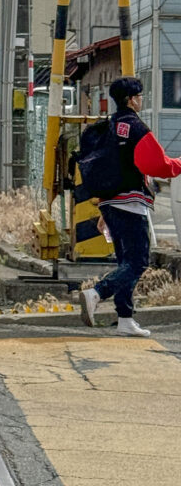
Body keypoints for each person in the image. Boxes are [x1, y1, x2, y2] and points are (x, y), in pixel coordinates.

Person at [80, 76, 181, 336]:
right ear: (132, 99)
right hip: (131, 203)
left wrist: (104, 211)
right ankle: (97, 292)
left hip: (110, 203)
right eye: (140, 95)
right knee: (138, 262)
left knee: (126, 262)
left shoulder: (110, 126)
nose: (141, 100)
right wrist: (179, 163)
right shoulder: (136, 128)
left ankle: (125, 318)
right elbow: (157, 166)